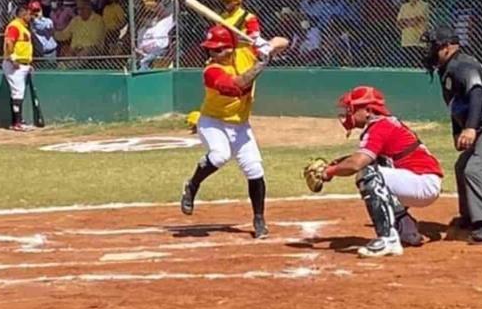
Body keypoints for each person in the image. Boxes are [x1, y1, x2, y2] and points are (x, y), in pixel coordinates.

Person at [180, 25, 287, 240]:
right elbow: (237, 85)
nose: (213, 53)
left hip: (240, 124)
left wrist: (267, 46)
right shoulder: (211, 71)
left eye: (218, 49)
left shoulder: (246, 54)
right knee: (220, 155)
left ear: (231, 48)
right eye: (210, 49)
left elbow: (284, 41)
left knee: (254, 169)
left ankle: (259, 218)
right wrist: (261, 63)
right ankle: (192, 185)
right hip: (213, 122)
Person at [310, 86, 444, 258]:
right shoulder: (384, 124)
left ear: (368, 110)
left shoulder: (380, 126)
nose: (348, 114)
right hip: (419, 181)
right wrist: (337, 164)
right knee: (376, 169)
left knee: (368, 174)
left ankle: (388, 240)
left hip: (421, 182)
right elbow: (365, 158)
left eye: (352, 109)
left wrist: (329, 172)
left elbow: (357, 164)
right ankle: (407, 231)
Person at [422, 24, 482, 244]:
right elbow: (457, 106)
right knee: (462, 166)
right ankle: (472, 218)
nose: (430, 51)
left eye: (434, 46)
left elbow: (476, 93)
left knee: (477, 169)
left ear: (448, 47)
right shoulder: (448, 68)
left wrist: (470, 128)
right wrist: (458, 131)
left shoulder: (462, 64)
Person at [3, 5, 34, 131]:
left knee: (17, 92)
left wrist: (27, 63)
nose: (31, 16)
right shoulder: (15, 26)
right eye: (29, 14)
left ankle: (16, 122)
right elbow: (9, 42)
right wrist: (13, 58)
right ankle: (18, 123)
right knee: (18, 92)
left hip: (22, 64)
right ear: (23, 14)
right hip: (15, 64)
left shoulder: (23, 27)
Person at [395, 0, 429, 67]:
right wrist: (411, 21)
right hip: (406, 41)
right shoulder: (404, 7)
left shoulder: (424, 5)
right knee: (407, 64)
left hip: (419, 41)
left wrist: (406, 21)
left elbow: (417, 20)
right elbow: (399, 23)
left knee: (418, 64)